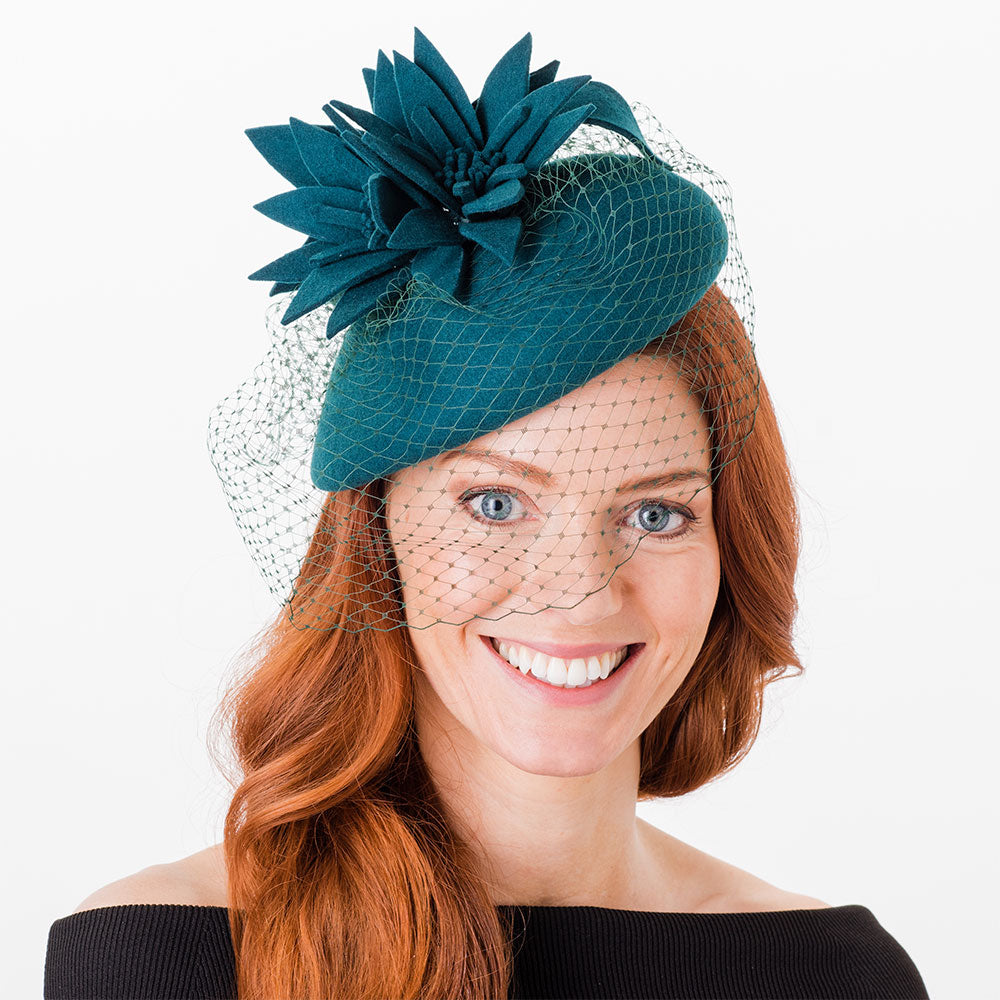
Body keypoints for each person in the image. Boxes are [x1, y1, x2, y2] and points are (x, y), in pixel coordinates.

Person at [43, 27, 930, 1000]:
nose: (579, 594)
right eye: (495, 502)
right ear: (377, 535)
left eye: (655, 515)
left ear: (731, 547)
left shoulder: (832, 976)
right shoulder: (159, 958)